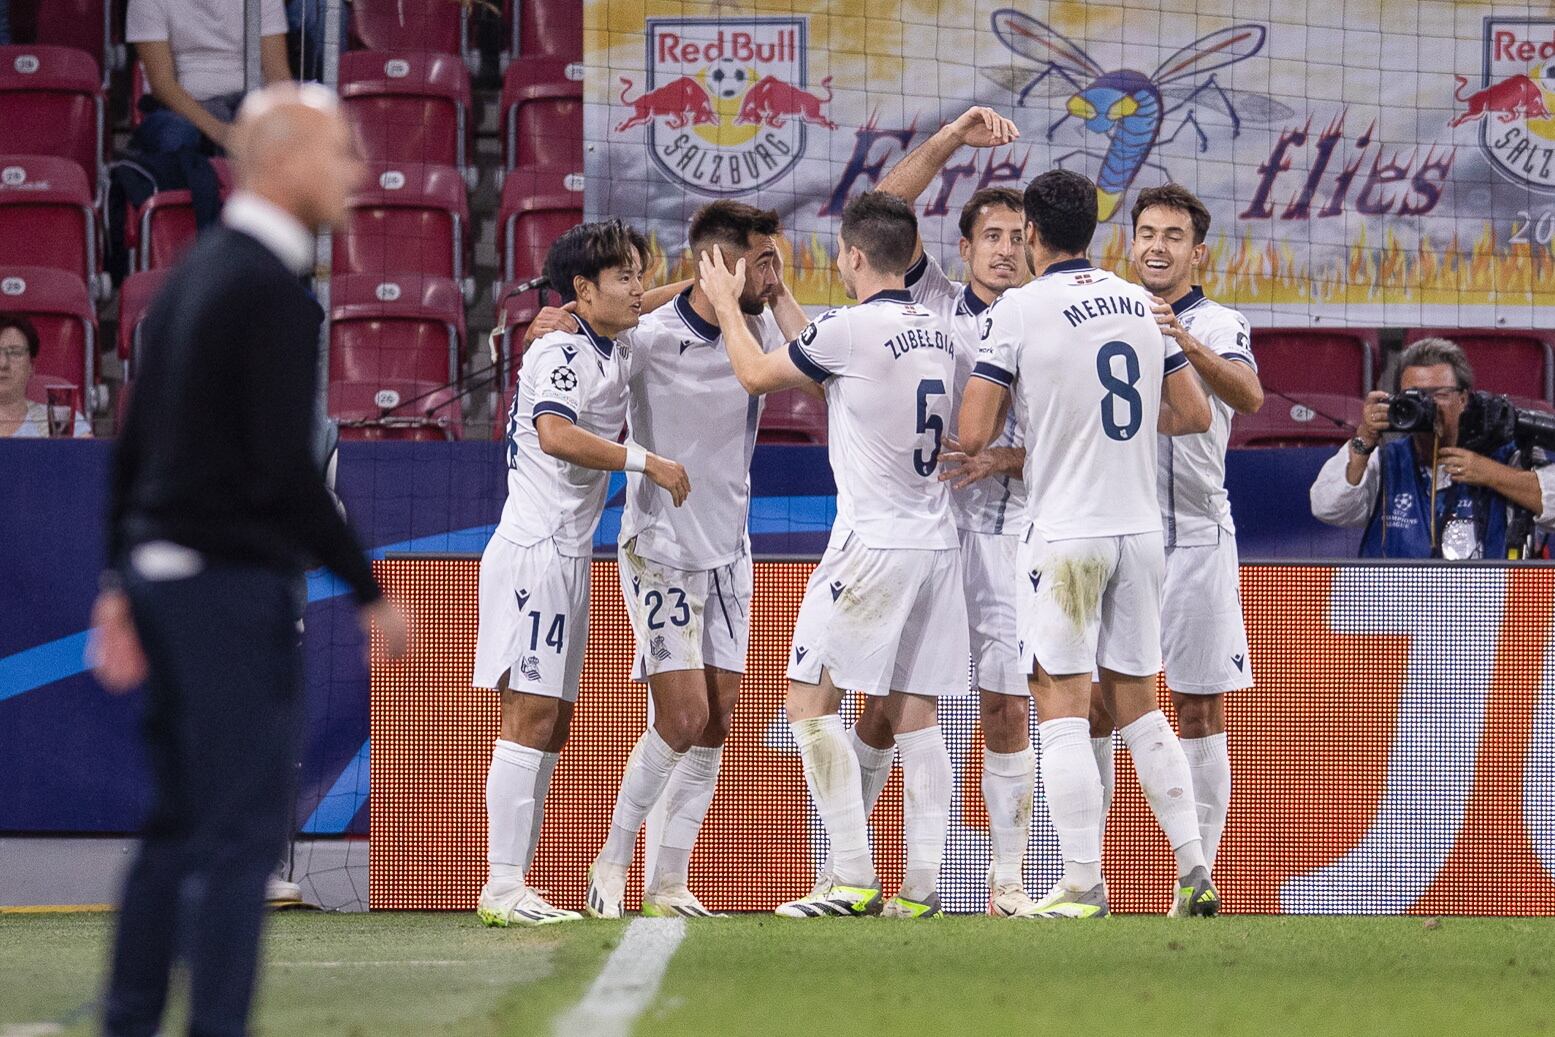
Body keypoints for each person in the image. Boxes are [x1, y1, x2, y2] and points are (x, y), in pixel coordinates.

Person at [88, 84, 409, 1037]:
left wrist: (119, 578)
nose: (356, 172)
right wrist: (366, 588)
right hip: (229, 590)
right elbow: (284, 469)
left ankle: (129, 1020)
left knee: (179, 825)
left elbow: (135, 447)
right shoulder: (268, 289)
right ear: (282, 161)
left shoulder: (190, 276)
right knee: (238, 839)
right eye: (340, 152)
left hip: (166, 579)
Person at [783, 107, 1046, 918]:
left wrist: (1005, 455)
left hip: (1004, 534)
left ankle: (1004, 881)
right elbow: (879, 218)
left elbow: (1077, 442)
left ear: (1037, 248)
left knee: (1002, 703)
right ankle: (852, 867)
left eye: (1018, 236)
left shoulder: (1046, 320)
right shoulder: (928, 300)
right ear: (960, 249)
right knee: (884, 704)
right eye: (991, 234)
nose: (1006, 247)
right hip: (929, 531)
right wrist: (947, 142)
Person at [958, 169, 1219, 919]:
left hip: (1066, 533)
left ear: (1033, 235)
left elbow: (974, 432)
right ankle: (1192, 865)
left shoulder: (1017, 309)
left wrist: (1041, 419)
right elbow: (1194, 414)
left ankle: (1081, 881)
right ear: (1099, 232)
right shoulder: (1140, 301)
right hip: (1141, 530)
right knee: (1140, 704)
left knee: (1062, 705)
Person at [701, 191, 969, 919]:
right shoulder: (942, 329)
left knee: (805, 701)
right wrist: (781, 297)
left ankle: (850, 875)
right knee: (916, 712)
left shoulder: (851, 331)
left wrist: (730, 304)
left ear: (851, 255)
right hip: (936, 540)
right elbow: (830, 365)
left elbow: (759, 373)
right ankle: (919, 889)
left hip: (871, 544)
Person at [578, 202, 809, 919]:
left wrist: (767, 292)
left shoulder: (762, 329)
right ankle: (610, 860)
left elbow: (821, 363)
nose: (774, 270)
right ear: (721, 265)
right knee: (680, 716)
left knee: (718, 719)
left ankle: (667, 880)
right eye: (762, 259)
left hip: (729, 549)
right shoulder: (647, 338)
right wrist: (559, 319)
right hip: (659, 548)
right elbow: (595, 319)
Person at [473, 219, 691, 927]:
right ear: (580, 290)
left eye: (638, 273)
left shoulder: (606, 337)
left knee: (554, 723)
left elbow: (648, 303)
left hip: (565, 556)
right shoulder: (563, 349)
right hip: (534, 552)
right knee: (528, 715)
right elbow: (555, 434)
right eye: (622, 276)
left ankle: (516, 884)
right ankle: (502, 887)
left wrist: (707, 278)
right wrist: (645, 460)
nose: (636, 287)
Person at [1085, 184, 1265, 911]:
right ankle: (1083, 875)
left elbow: (1249, 397)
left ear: (1198, 250)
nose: (1157, 245)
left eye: (1173, 235)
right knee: (1095, 707)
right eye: (1147, 231)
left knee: (1196, 708)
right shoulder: (1103, 314)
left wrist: (1180, 339)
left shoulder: (1221, 321)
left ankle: (1195, 881)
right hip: (1118, 533)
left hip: (1195, 538)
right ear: (1129, 242)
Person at [1310, 337, 1555, 557]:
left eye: (1438, 394)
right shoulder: (1386, 460)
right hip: (1391, 600)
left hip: (1480, 600)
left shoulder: (1504, 455)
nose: (1428, 405)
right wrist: (1363, 440)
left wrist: (1490, 474)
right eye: (1415, 395)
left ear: (1463, 398)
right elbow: (1328, 508)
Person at [127, 0, 292, 155]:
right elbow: (162, 84)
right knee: (175, 135)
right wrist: (223, 133)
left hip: (246, 101)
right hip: (179, 109)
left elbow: (277, 75)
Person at [0, 315, 91, 438]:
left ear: (31, 366)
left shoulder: (63, 423)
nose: (3, 364)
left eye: (15, 352)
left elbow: (89, 456)